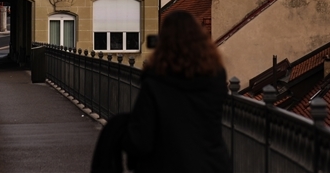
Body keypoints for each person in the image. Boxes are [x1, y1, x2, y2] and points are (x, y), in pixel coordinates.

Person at [91, 10, 230, 173]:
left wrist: (120, 128)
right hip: (212, 165)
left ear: (163, 42)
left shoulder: (155, 81)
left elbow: (140, 141)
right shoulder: (215, 77)